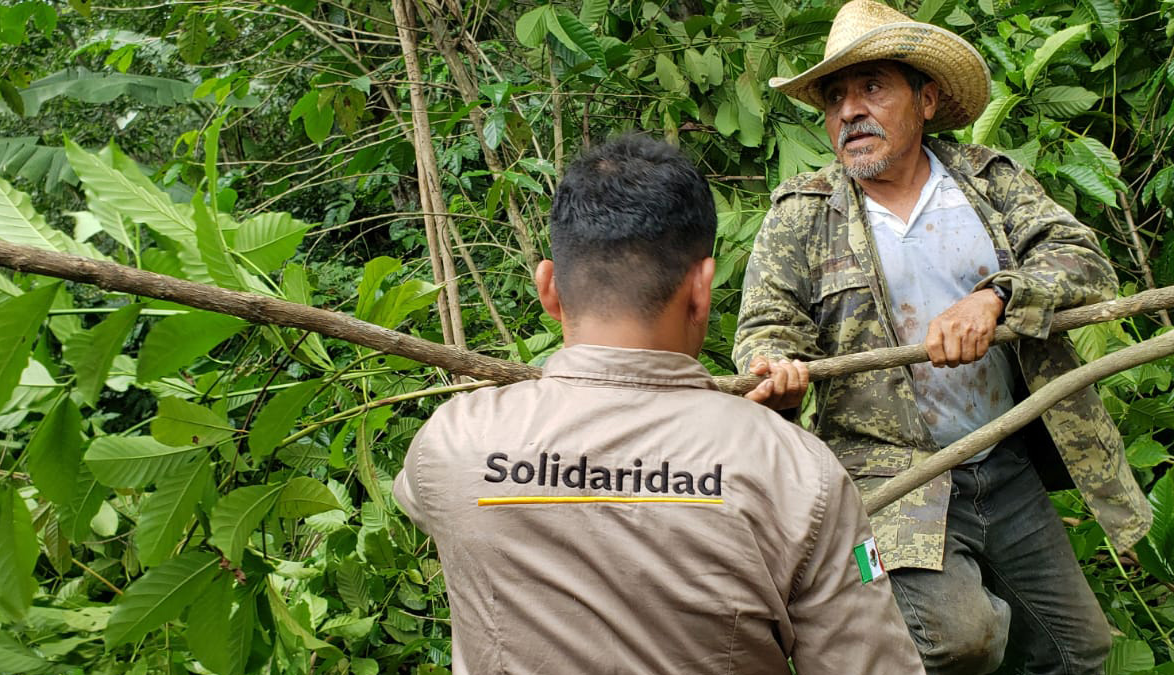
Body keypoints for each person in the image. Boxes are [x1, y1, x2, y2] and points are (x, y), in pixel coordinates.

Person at [394, 134, 924, 674]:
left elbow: (425, 500)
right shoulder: (797, 473)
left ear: (548, 289)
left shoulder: (452, 442)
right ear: (702, 289)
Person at [734, 1, 1153, 673]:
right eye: (835, 97)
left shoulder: (988, 181)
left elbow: (1083, 260)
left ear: (926, 98)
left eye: (872, 87)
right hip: (889, 475)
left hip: (1003, 454)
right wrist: (775, 370)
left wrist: (996, 296)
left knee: (1082, 650)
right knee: (963, 639)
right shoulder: (801, 214)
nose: (849, 111)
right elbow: (767, 324)